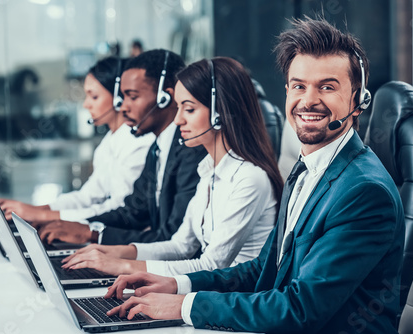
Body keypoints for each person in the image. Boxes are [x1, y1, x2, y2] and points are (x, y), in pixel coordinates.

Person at [104, 17, 405, 334]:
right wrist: (177, 284)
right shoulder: (308, 169)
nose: (309, 100)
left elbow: (301, 309)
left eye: (327, 87)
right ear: (287, 92)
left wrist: (184, 306)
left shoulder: (363, 191)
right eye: (299, 86)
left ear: (358, 100)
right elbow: (265, 269)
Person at [60, 57, 284, 277]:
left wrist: (123, 266)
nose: (177, 120)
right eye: (178, 108)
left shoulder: (250, 179)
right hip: (209, 292)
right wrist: (114, 252)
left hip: (233, 301)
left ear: (219, 113)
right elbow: (180, 246)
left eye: (189, 109)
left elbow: (213, 264)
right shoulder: (208, 171)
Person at [36, 49, 207, 246]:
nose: (123, 107)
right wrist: (77, 227)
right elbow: (132, 213)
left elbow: (173, 237)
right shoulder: (157, 148)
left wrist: (93, 234)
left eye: (132, 97)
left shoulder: (191, 151)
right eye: (123, 97)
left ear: (165, 98)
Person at [0, 57, 154, 224]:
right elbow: (87, 197)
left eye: (94, 97)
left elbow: (118, 209)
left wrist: (42, 216)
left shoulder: (139, 142)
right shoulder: (109, 141)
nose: (86, 104)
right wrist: (31, 210)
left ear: (119, 98)